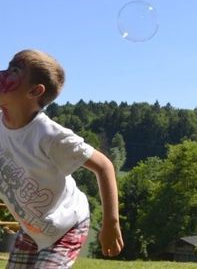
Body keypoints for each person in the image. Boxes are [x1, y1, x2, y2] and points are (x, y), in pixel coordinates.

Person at [0, 49, 124, 267]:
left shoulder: (49, 135)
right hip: (32, 230)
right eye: (8, 66)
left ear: (35, 91)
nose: (3, 73)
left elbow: (104, 166)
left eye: (15, 70)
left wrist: (111, 224)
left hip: (67, 226)